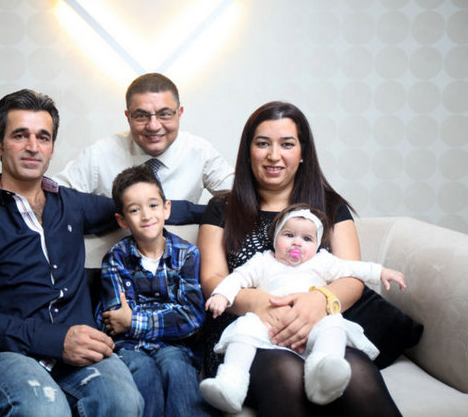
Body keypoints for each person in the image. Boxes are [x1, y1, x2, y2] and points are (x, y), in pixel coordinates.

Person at [0, 89, 144, 416]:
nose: (33, 146)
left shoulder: (72, 205)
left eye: (43, 137)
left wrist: (218, 212)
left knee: (121, 401)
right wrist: (56, 340)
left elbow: (143, 207)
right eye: (20, 135)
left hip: (80, 354)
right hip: (2, 357)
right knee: (43, 408)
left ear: (52, 148)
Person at [197, 101, 402, 416]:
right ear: (248, 151)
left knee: (357, 373)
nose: (274, 155)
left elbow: (351, 278)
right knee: (286, 374)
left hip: (318, 325)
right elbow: (212, 279)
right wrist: (261, 304)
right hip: (246, 333)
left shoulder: (331, 206)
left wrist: (317, 302)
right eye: (262, 144)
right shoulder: (221, 208)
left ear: (303, 152)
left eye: (287, 144)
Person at [200, 204, 406, 413]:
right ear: (275, 238)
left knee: (334, 324)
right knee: (245, 329)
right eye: (289, 235)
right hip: (269, 327)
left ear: (317, 245)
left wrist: (380, 272)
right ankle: (231, 383)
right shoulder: (263, 261)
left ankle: (323, 369)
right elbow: (237, 278)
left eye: (307, 239)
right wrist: (222, 295)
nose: (297, 242)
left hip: (314, 324)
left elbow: (352, 268)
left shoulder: (322, 261)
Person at [95, 165, 217, 417]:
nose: (146, 215)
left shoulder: (187, 254)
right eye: (134, 210)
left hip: (176, 347)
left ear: (166, 209)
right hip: (129, 348)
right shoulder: (116, 258)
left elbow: (192, 317)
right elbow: (115, 320)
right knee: (144, 372)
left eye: (153, 205)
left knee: (177, 368)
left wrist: (134, 320)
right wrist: (165, 316)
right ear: (122, 220)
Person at [53, 72, 234, 203]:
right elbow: (54, 196)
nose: (153, 126)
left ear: (179, 114)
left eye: (164, 114)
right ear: (128, 117)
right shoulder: (99, 155)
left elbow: (241, 196)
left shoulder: (200, 152)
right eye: (141, 116)